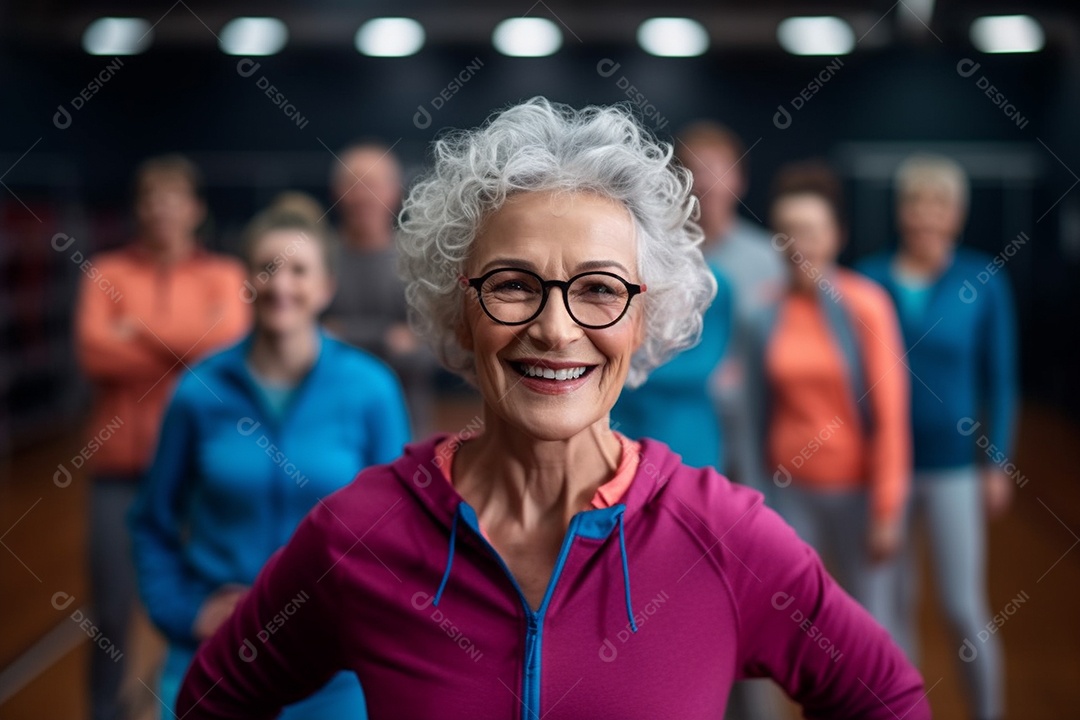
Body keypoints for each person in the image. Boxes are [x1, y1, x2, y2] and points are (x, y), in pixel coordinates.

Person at [173, 98, 929, 720]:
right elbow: (213, 697)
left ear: (645, 317)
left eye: (599, 289)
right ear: (459, 307)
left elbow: (888, 700)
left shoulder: (725, 538)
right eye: (512, 284)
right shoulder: (361, 534)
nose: (556, 328)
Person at [129, 200, 410, 718]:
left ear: (326, 286)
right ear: (247, 281)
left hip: (335, 669)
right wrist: (183, 612)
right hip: (213, 655)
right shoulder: (198, 391)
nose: (282, 285)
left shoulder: (371, 389)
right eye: (267, 268)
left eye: (299, 270)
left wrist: (355, 619)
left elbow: (398, 534)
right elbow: (152, 521)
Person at [74, 154, 251, 720]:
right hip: (120, 470)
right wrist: (185, 347)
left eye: (173, 198)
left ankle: (200, 706)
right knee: (110, 610)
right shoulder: (104, 272)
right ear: (138, 209)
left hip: (203, 473)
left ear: (195, 210)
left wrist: (136, 331)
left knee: (211, 603)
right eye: (151, 199)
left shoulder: (224, 274)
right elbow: (94, 352)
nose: (162, 210)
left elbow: (228, 347)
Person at [859, 154, 1017, 720]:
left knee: (961, 605)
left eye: (939, 203)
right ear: (901, 211)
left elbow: (1000, 378)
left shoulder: (985, 280)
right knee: (891, 609)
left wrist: (996, 462)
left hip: (954, 469)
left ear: (958, 213)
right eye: (916, 202)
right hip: (886, 471)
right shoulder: (870, 278)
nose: (926, 215)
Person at [763, 162, 911, 642]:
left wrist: (887, 510)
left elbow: (891, 416)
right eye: (785, 232)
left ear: (836, 235)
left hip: (857, 492)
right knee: (795, 629)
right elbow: (754, 408)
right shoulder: (764, 309)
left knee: (870, 630)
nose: (796, 244)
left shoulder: (866, 304)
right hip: (788, 493)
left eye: (808, 230)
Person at [675, 123, 786, 493]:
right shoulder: (660, 258)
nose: (707, 183)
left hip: (755, 418)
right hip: (679, 417)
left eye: (717, 169)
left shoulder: (770, 258)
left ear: (738, 179)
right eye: (696, 171)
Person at [323, 142, 434, 433]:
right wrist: (388, 337)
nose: (363, 196)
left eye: (373, 184)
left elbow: (434, 351)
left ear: (394, 192)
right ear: (337, 193)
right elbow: (307, 345)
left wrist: (342, 335)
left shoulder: (419, 261)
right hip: (330, 424)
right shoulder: (316, 260)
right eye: (353, 184)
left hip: (405, 426)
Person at [610, 265, 732, 469]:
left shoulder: (710, 282)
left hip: (681, 430)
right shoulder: (621, 271)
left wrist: (621, 368)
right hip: (621, 423)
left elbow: (701, 366)